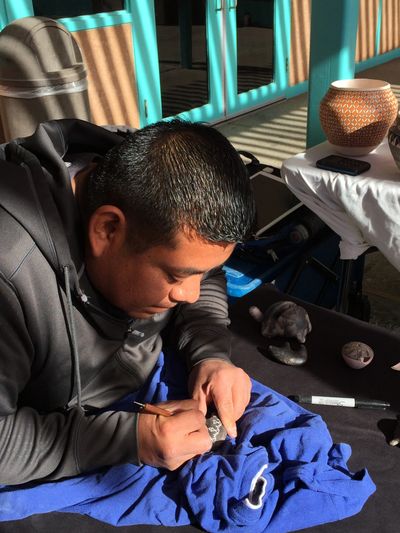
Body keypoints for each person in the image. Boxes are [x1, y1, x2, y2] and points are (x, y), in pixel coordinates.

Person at [0, 118, 256, 485]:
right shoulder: (9, 271)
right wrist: (131, 440)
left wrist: (211, 352)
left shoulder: (146, 192)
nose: (190, 295)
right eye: (176, 276)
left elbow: (206, 271)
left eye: (199, 274)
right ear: (107, 229)